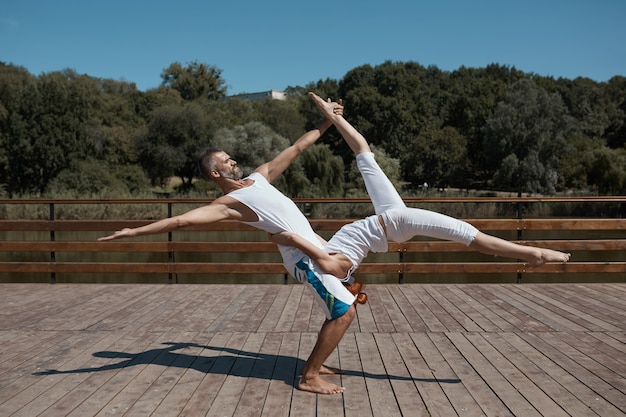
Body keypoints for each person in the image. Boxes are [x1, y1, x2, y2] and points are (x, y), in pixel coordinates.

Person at [98, 98, 355, 395]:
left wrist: (329, 120)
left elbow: (297, 147)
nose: (233, 161)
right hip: (303, 260)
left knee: (334, 307)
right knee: (343, 312)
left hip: (316, 251)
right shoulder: (229, 205)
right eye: (226, 160)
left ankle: (316, 362)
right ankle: (309, 377)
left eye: (231, 157)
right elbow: (181, 222)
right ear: (216, 173)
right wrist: (133, 231)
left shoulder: (259, 178)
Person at [268, 93, 571, 282]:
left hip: (390, 216)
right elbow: (318, 257)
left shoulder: (328, 254)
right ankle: (533, 254)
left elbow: (313, 248)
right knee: (468, 234)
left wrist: (331, 118)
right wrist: (291, 240)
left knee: (365, 156)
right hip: (394, 223)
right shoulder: (334, 267)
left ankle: (334, 118)